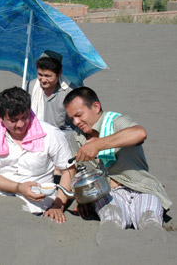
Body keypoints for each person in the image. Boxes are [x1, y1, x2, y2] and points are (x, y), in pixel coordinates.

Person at [63, 87, 172, 229]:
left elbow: (139, 133)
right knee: (111, 222)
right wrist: (75, 201)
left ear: (96, 107)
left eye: (79, 115)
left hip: (141, 187)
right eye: (72, 118)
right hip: (107, 194)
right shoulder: (76, 138)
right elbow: (74, 171)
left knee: (150, 222)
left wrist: (97, 145)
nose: (76, 122)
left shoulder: (115, 121)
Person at [0, 87, 76, 224]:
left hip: (36, 201)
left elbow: (68, 171)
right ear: (0, 117)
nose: (21, 124)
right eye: (13, 120)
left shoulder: (51, 134)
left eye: (25, 117)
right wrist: (19, 188)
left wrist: (58, 206)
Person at [28, 50, 75, 140]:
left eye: (48, 76)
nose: (43, 80)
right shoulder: (30, 87)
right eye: (40, 74)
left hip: (63, 139)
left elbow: (77, 126)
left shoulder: (71, 92)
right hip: (35, 138)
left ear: (59, 73)